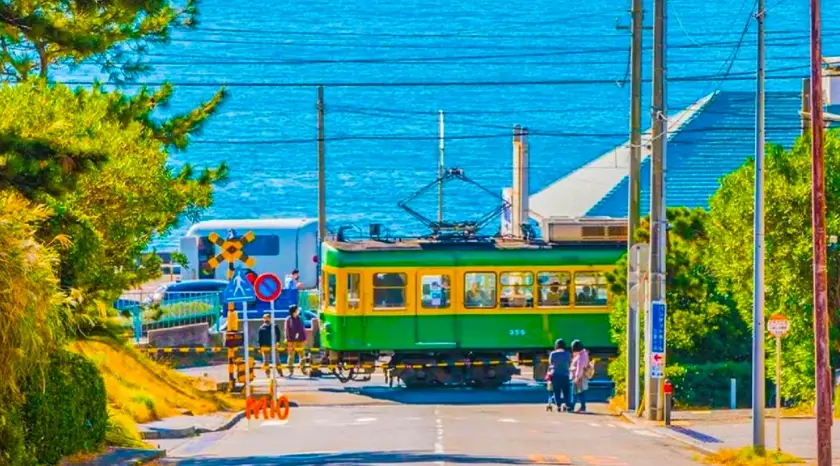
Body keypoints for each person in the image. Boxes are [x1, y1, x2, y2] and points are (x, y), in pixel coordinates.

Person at [548, 339, 572, 412]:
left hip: (555, 375)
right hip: (565, 375)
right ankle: (567, 405)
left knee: (556, 391)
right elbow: (570, 362)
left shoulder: (553, 354)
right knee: (566, 392)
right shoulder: (568, 354)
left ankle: (558, 406)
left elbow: (550, 363)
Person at [284, 305, 307, 376]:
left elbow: (303, 329)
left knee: (303, 356)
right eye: (297, 310)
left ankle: (303, 370)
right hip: (292, 341)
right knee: (291, 356)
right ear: (294, 311)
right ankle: (290, 371)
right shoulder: (288, 319)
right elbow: (287, 330)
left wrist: (304, 338)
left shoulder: (300, 318)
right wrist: (289, 340)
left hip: (300, 340)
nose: (298, 311)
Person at [570, 339, 591, 413]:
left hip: (579, 377)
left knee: (575, 393)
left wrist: (576, 377)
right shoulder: (584, 353)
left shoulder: (580, 356)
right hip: (582, 376)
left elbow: (579, 368)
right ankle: (582, 407)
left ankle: (572, 407)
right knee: (580, 392)